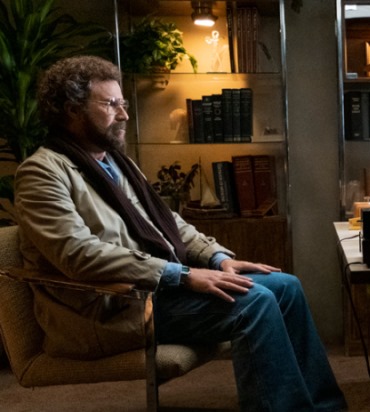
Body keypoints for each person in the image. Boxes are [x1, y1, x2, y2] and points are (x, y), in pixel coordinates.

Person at [14, 55, 346, 412]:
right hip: (110, 308)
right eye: (110, 105)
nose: (124, 115)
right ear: (71, 110)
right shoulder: (41, 173)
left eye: (123, 104)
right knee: (254, 303)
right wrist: (182, 275)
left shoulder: (115, 164)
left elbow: (168, 223)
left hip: (153, 290)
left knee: (286, 287)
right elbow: (77, 254)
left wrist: (217, 258)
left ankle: (325, 406)